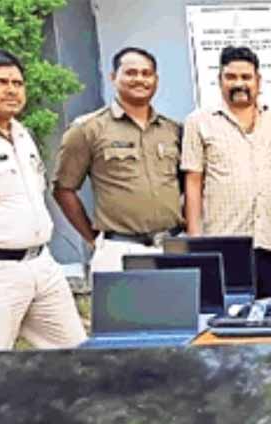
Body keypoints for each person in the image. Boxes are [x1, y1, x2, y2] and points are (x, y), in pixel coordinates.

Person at [0, 48, 86, 350]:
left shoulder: (21, 133)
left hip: (42, 265)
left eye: (17, 83)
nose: (11, 90)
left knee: (77, 356)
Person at [53, 47, 183, 272]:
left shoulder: (172, 129)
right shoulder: (87, 129)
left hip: (171, 245)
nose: (139, 79)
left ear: (156, 79)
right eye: (131, 73)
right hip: (120, 248)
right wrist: (92, 237)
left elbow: (187, 184)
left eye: (146, 73)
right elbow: (63, 189)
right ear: (113, 77)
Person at [181, 46, 271, 299]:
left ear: (258, 80)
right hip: (222, 240)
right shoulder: (199, 122)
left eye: (246, 77)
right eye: (231, 77)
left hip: (268, 239)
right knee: (228, 311)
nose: (239, 83)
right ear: (220, 80)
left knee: (269, 310)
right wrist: (195, 241)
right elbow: (193, 182)